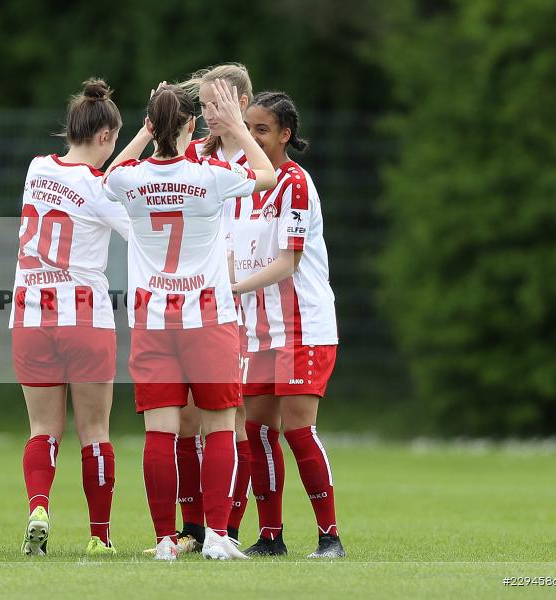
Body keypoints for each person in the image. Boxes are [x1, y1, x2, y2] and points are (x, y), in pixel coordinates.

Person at [104, 79, 276, 560]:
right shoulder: (211, 175)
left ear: (152, 123)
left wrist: (142, 133)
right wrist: (239, 128)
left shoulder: (133, 178)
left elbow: (108, 176)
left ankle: (164, 540)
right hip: (208, 317)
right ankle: (218, 536)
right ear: (191, 125)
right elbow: (265, 174)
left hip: (153, 320)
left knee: (160, 432)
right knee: (220, 426)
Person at [10, 79, 129, 557]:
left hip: (29, 311)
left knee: (43, 429)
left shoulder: (37, 168)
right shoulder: (100, 188)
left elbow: (86, 177)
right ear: (105, 137)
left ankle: (39, 505)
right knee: (95, 430)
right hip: (83, 313)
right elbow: (136, 227)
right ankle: (99, 536)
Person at [230, 91, 345, 558]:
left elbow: (288, 261)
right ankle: (271, 535)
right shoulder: (241, 184)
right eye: (249, 128)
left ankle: (330, 536)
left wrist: (231, 287)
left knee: (299, 430)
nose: (254, 137)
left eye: (262, 129)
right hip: (257, 332)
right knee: (257, 431)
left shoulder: (294, 183)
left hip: (303, 327)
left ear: (284, 134)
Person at [172, 63, 256, 553]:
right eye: (202, 105)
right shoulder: (193, 155)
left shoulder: (256, 158)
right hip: (190, 301)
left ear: (241, 103)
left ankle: (230, 527)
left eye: (216, 104)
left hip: (239, 302)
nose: (207, 114)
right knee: (184, 416)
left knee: (233, 414)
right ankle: (193, 528)